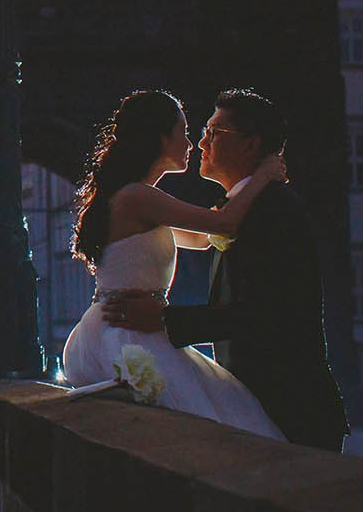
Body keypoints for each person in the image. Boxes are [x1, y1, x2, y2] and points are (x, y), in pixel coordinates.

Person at [100, 89, 349, 450]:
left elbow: (268, 313)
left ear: (250, 145)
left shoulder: (274, 211)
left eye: (214, 133)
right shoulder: (239, 210)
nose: (201, 142)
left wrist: (166, 320)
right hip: (256, 403)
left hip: (289, 408)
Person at [62, 89, 287, 439]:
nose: (192, 143)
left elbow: (200, 238)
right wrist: (263, 176)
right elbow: (224, 225)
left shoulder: (137, 198)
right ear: (159, 137)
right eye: (183, 131)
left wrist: (238, 195)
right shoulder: (138, 196)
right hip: (128, 330)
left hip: (130, 325)